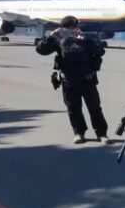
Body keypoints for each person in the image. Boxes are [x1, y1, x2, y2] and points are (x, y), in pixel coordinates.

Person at [36, 15, 108, 144]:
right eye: (67, 28)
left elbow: (100, 52)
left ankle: (102, 134)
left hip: (87, 79)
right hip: (68, 80)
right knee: (73, 108)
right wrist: (51, 36)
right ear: (62, 28)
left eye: (73, 27)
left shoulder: (85, 39)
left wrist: (86, 39)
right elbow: (41, 50)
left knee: (95, 108)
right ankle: (79, 133)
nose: (71, 30)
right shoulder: (59, 40)